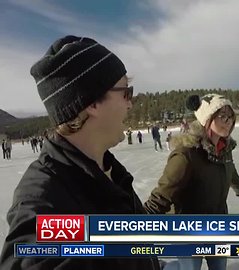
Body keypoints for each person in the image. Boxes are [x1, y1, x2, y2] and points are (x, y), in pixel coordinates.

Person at [0, 35, 162, 270]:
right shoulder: (44, 201)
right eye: (126, 92)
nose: (130, 103)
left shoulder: (110, 172)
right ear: (92, 103)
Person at [144, 94, 239, 270]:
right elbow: (162, 194)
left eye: (231, 116)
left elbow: (229, 169)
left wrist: (238, 187)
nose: (228, 121)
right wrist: (137, 225)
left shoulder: (224, 149)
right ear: (206, 119)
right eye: (222, 116)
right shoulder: (186, 155)